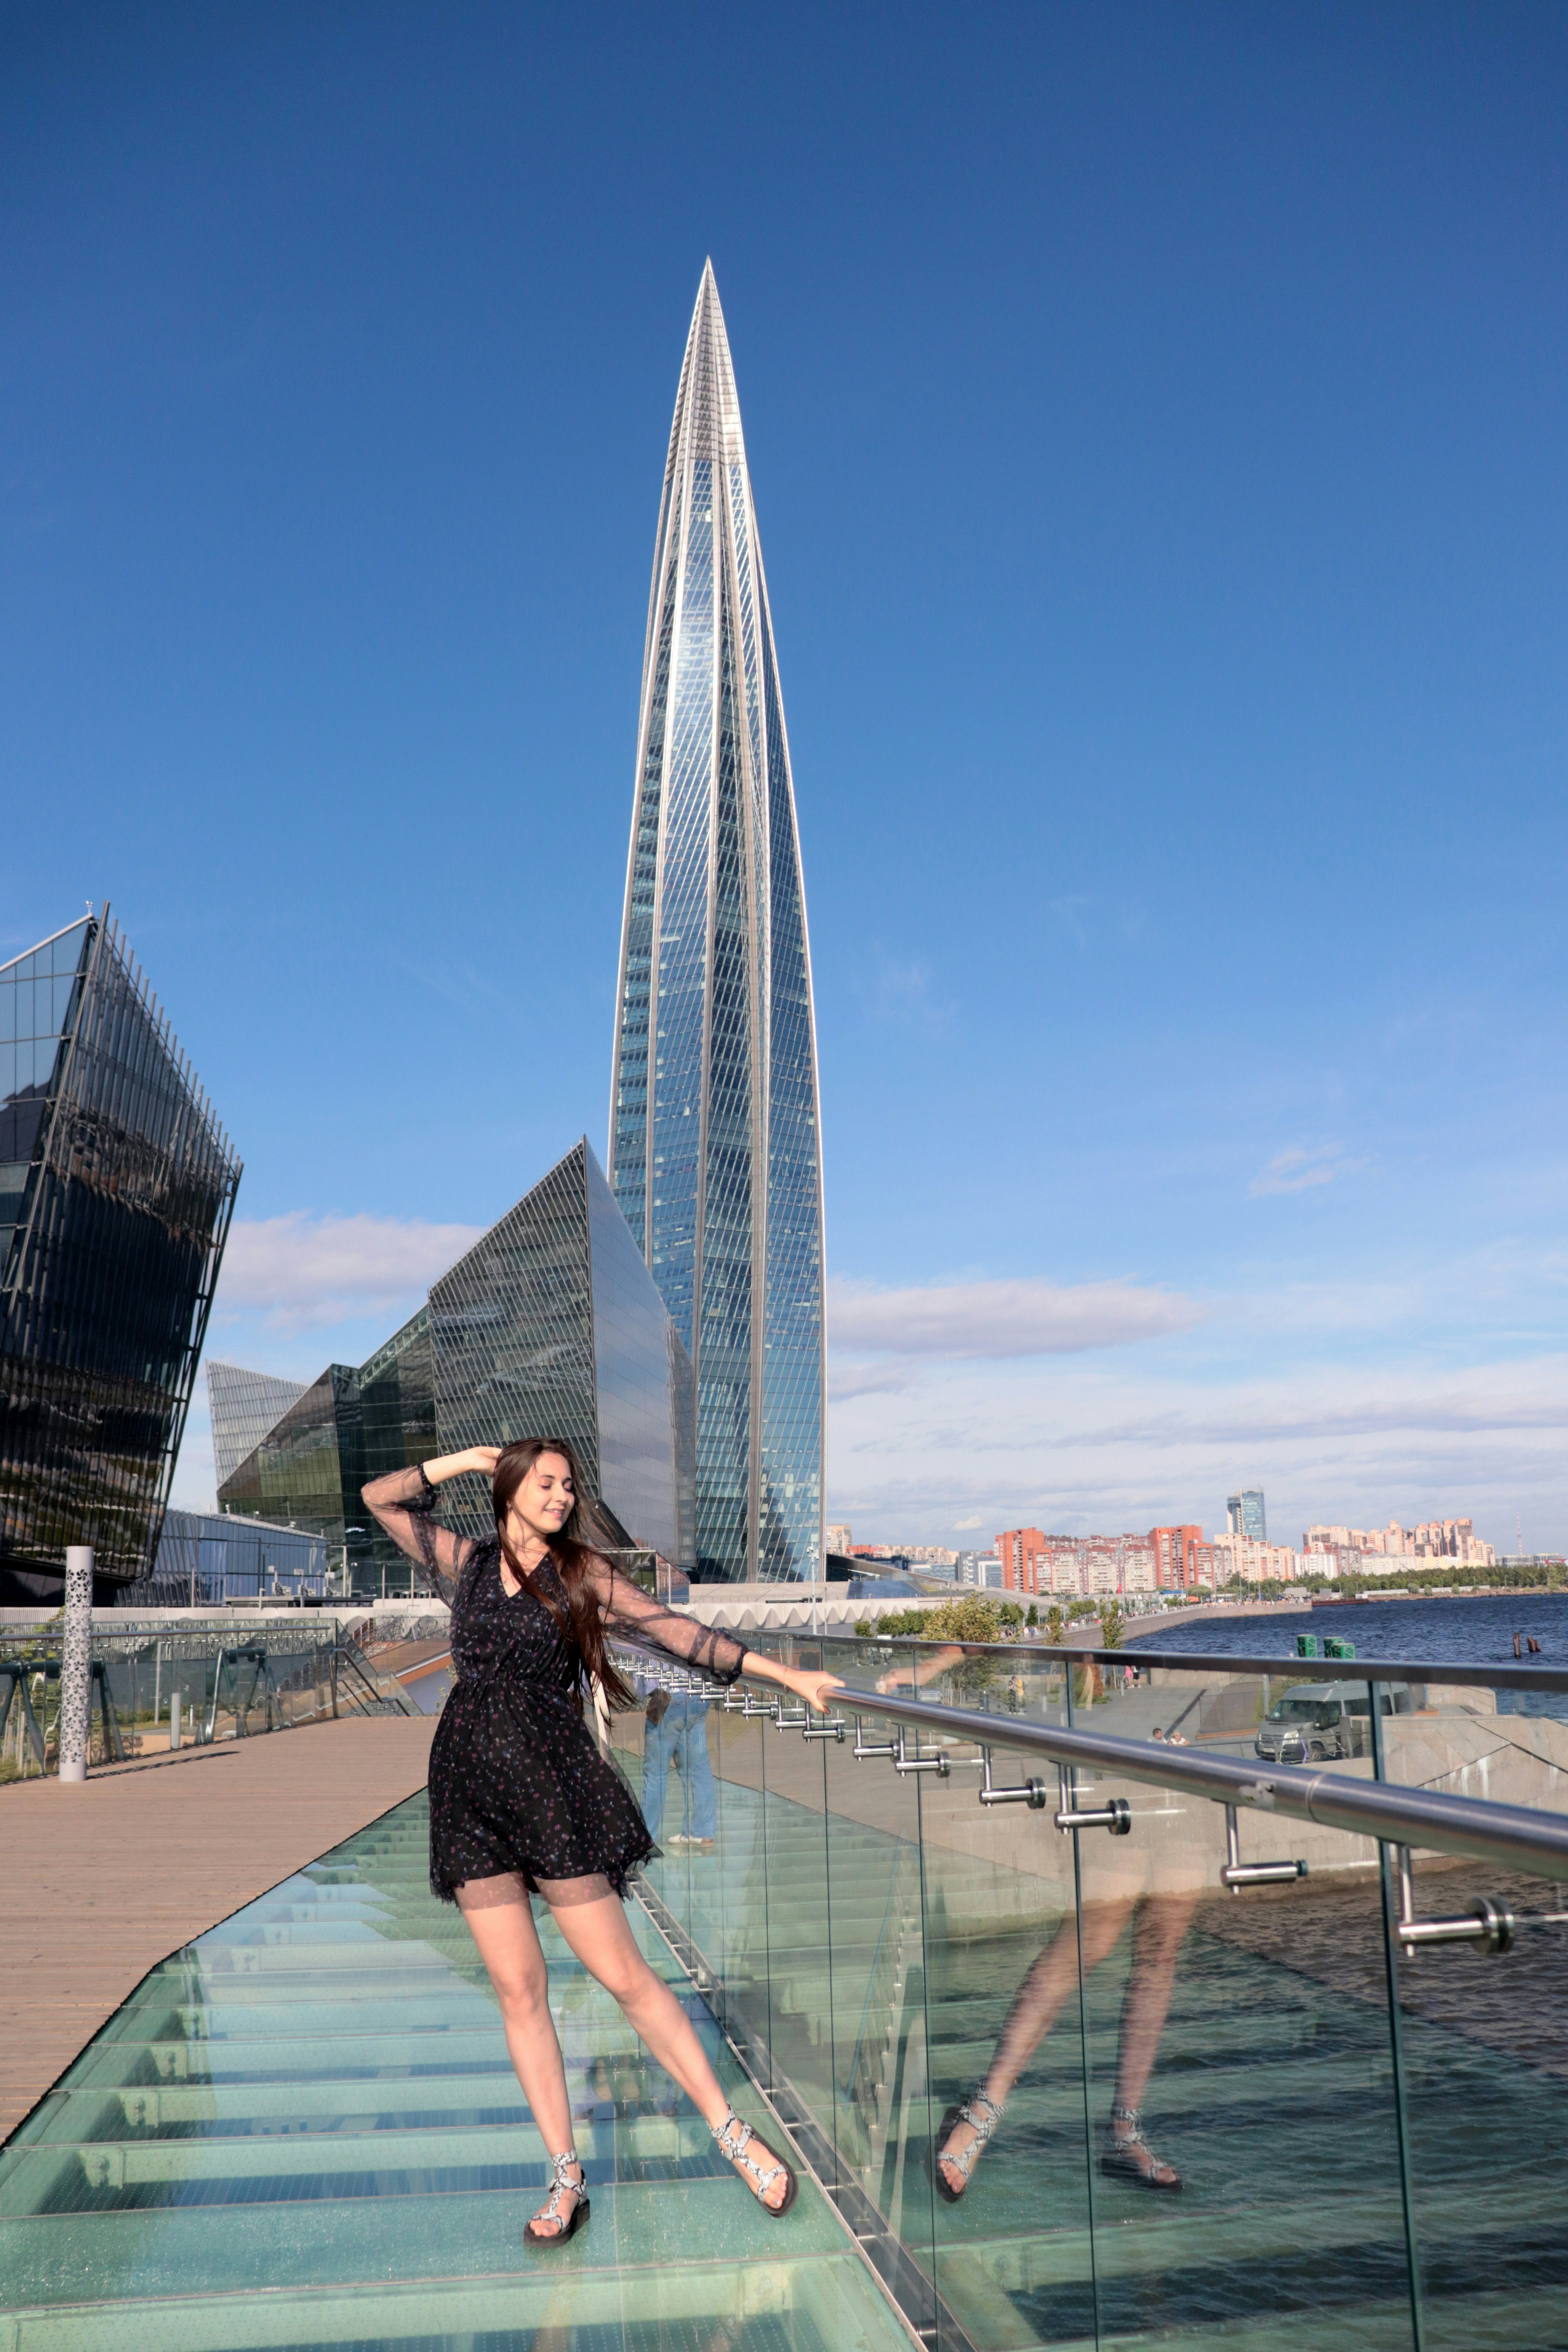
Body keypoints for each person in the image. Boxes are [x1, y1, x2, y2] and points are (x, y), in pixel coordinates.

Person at [363, 1440, 843, 2244]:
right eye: (543, 1483)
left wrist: (789, 1678)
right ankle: (564, 2176)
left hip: (553, 1787)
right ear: (509, 1490)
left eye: (567, 1486)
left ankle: (730, 2132)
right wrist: (468, 1460)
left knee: (621, 1973)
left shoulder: (582, 1574)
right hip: (469, 1790)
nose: (560, 1496)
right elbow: (381, 1497)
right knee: (519, 1992)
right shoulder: (467, 1563)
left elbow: (683, 1636)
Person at [639, 1681, 717, 1849]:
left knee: (655, 1774)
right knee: (698, 1768)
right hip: (698, 1695)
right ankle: (702, 1834)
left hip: (667, 1697)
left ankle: (646, 1838)